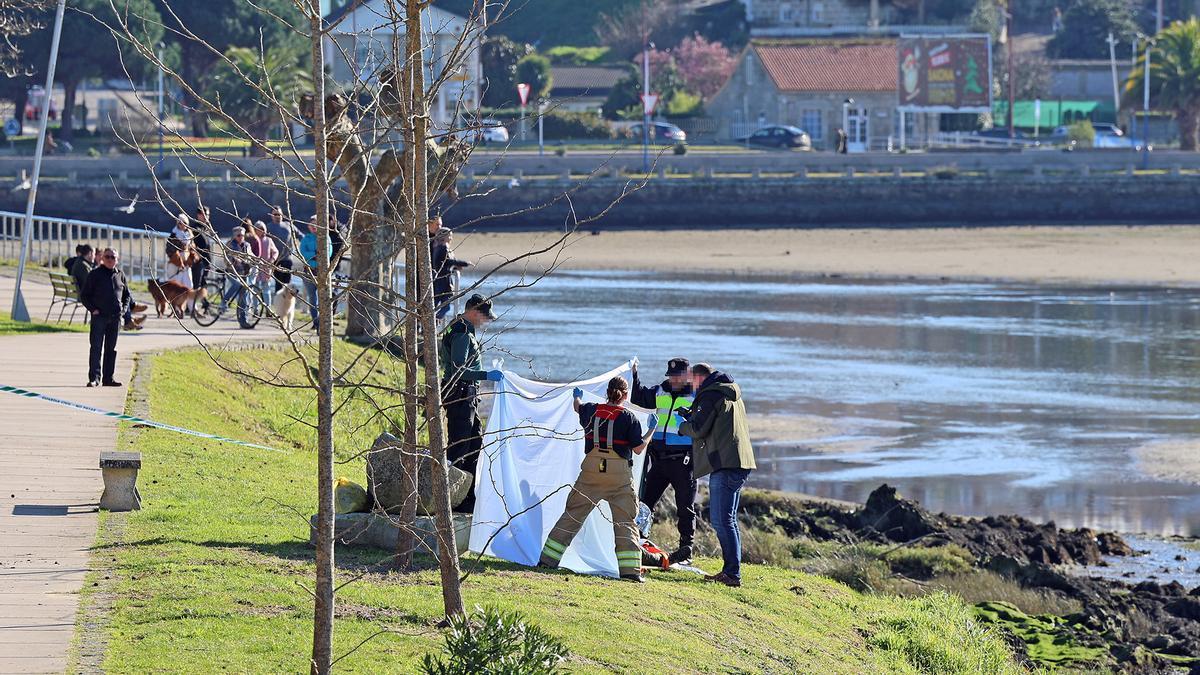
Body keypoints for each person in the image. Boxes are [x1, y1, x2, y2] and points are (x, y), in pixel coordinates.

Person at [539, 377, 657, 583]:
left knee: (572, 515)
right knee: (625, 522)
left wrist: (577, 397)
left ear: (607, 392)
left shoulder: (591, 410)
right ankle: (630, 572)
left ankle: (547, 561)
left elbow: (578, 407)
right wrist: (651, 430)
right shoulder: (629, 418)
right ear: (625, 396)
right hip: (618, 476)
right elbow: (638, 449)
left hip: (591, 471)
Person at [678, 363, 756, 588]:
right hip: (740, 461)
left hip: (725, 463)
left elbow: (699, 430)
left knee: (721, 521)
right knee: (729, 520)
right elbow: (716, 421)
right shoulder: (728, 392)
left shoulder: (710, 394)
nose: (691, 387)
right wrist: (692, 414)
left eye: (692, 383)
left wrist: (683, 426)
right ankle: (732, 571)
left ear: (698, 378)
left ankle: (732, 574)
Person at [631, 357, 697, 565]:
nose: (674, 380)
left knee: (685, 507)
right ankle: (639, 542)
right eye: (671, 376)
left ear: (687, 376)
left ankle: (686, 549)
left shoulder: (697, 396)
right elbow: (638, 397)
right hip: (659, 459)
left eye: (678, 376)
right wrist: (633, 375)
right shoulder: (660, 391)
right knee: (645, 503)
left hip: (683, 461)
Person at [439, 293, 501, 511]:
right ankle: (452, 498)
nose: (485, 321)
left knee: (475, 443)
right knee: (460, 445)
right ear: (474, 311)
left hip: (466, 394)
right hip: (460, 394)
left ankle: (469, 497)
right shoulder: (463, 333)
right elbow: (457, 370)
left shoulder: (459, 327)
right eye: (484, 316)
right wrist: (486, 375)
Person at [80, 248, 132, 387]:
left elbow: (127, 296)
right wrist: (93, 309)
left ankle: (108, 378)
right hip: (99, 317)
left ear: (117, 259)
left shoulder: (120, 275)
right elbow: (84, 295)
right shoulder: (95, 274)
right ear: (102, 258)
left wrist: (124, 310)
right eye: (107, 257)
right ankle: (94, 378)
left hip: (115, 318)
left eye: (113, 257)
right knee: (96, 347)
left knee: (111, 349)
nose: (110, 260)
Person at [429, 217, 471, 320]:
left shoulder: (439, 248)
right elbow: (447, 262)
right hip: (442, 283)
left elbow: (443, 264)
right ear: (444, 237)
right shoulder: (442, 248)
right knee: (444, 306)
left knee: (439, 304)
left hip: (441, 281)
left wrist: (454, 268)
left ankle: (431, 320)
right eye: (449, 236)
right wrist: (464, 263)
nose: (451, 238)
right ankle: (432, 320)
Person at [299, 217, 332, 329]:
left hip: (322, 272)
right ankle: (316, 322)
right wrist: (315, 254)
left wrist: (321, 257)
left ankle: (324, 322)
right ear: (308, 226)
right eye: (311, 224)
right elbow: (303, 252)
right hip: (309, 272)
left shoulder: (325, 237)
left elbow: (329, 252)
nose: (313, 226)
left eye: (316, 224)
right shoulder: (305, 239)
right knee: (312, 298)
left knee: (323, 297)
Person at [221, 225, 255, 327]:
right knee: (237, 284)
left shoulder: (247, 245)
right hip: (232, 272)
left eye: (243, 235)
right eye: (239, 235)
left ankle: (243, 321)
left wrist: (256, 261)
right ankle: (224, 302)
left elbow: (251, 255)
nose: (241, 237)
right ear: (235, 236)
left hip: (244, 273)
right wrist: (235, 261)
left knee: (243, 296)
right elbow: (226, 258)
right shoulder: (230, 245)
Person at [252, 220, 279, 305]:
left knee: (266, 289)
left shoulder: (268, 240)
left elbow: (275, 251)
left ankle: (268, 309)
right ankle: (255, 309)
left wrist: (272, 260)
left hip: (266, 268)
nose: (261, 231)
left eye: (262, 229)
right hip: (255, 267)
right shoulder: (253, 240)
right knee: (255, 289)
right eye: (258, 229)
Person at [191, 206, 212, 289]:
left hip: (206, 262)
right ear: (198, 215)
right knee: (196, 284)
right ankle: (194, 301)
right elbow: (192, 245)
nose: (206, 217)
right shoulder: (195, 229)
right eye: (204, 214)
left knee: (203, 283)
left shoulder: (206, 228)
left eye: (207, 215)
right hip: (199, 262)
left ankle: (203, 300)